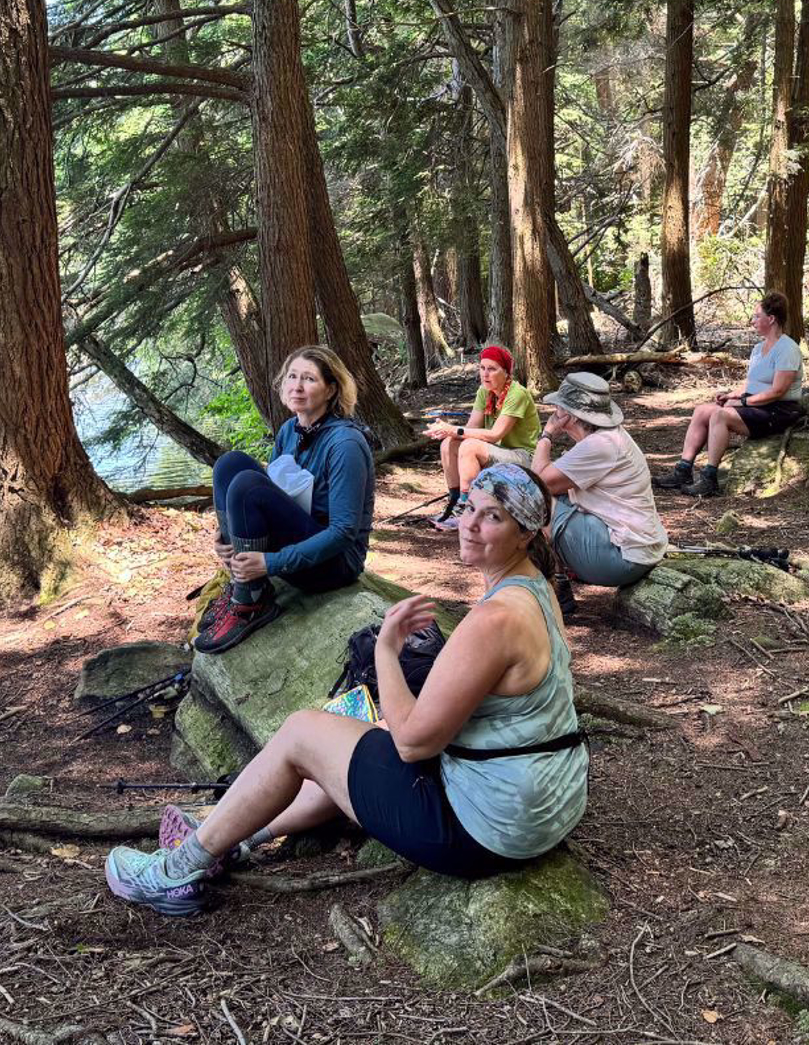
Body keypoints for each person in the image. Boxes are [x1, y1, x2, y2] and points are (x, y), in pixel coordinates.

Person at [105, 464, 588, 915]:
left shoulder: (495, 619)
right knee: (357, 732)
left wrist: (385, 649)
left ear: (525, 533)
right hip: (546, 804)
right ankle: (236, 838)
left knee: (302, 733)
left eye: (493, 517)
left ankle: (172, 873)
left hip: (488, 832)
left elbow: (413, 742)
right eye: (469, 508)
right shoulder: (537, 589)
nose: (469, 524)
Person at [195, 346, 375, 655]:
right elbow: (276, 491)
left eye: (309, 379)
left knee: (248, 486)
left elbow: (344, 532)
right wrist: (228, 538)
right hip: (299, 536)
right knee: (230, 463)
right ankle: (244, 577)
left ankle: (250, 601)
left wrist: (270, 562)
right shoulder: (289, 430)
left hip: (334, 564)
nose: (297, 386)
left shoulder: (345, 444)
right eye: (292, 376)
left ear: (331, 389)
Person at [655, 292, 804, 499]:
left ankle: (709, 478)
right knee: (702, 411)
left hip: (779, 410)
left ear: (771, 319)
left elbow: (777, 391)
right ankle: (683, 470)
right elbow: (751, 384)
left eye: (756, 316)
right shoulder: (758, 348)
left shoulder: (787, 349)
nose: (752, 321)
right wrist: (731, 395)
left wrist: (742, 402)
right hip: (758, 405)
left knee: (720, 416)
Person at [530, 372, 667, 592]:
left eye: (559, 408)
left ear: (571, 416)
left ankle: (555, 587)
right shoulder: (609, 436)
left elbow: (536, 483)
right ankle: (560, 577)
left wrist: (547, 435)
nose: (555, 414)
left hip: (624, 559)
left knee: (535, 501)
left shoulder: (598, 445)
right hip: (639, 550)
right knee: (557, 496)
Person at [423, 344, 542, 530]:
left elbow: (495, 435)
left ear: (506, 372)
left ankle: (467, 508)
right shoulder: (483, 392)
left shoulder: (517, 394)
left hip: (524, 458)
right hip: (499, 453)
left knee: (469, 446)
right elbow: (471, 428)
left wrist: (455, 429)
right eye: (482, 368)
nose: (485, 374)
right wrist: (445, 430)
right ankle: (455, 502)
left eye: (492, 369)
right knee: (449, 444)